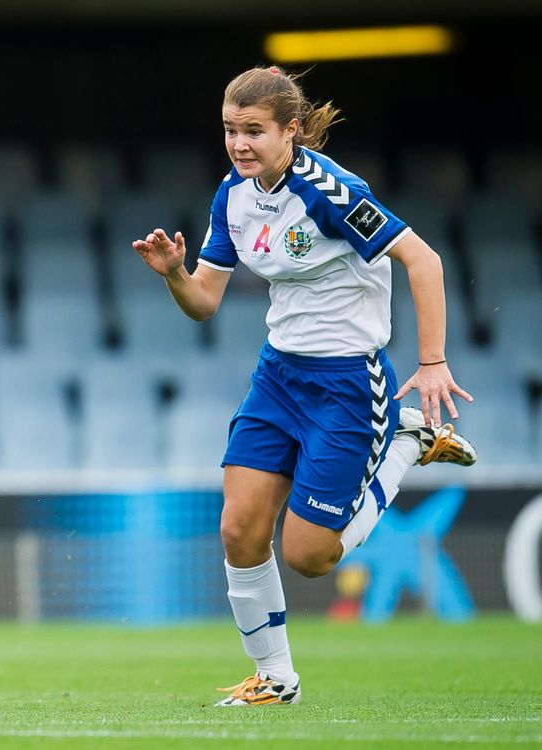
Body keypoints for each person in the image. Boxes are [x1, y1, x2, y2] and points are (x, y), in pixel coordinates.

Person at [132, 66, 476, 706]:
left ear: (292, 130)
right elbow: (204, 302)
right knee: (238, 528)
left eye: (254, 132)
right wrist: (175, 273)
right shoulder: (232, 194)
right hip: (279, 376)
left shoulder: (330, 191)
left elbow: (423, 260)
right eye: (231, 130)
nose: (239, 144)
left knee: (310, 556)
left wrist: (432, 363)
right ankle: (275, 680)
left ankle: (408, 438)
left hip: (349, 382)